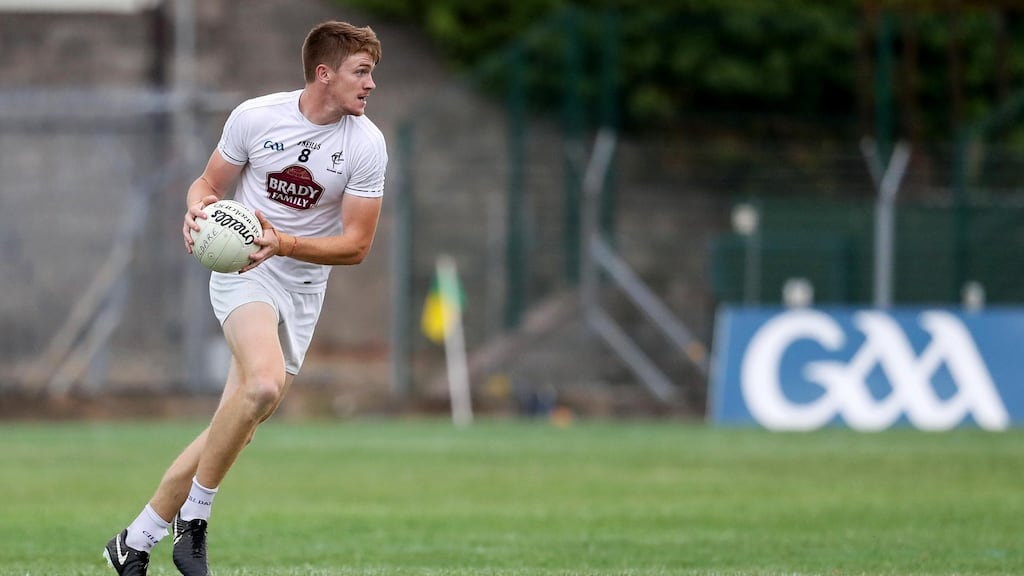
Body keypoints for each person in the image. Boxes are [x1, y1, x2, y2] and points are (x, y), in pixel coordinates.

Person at [104, 20, 386, 576]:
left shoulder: (367, 145)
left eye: (372, 73)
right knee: (261, 383)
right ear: (323, 74)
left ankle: (135, 541)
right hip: (244, 272)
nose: (371, 84)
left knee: (238, 421)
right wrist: (195, 212)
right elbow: (206, 186)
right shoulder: (256, 117)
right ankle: (196, 521)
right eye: (362, 71)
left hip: (301, 285)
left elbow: (356, 247)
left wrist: (283, 242)